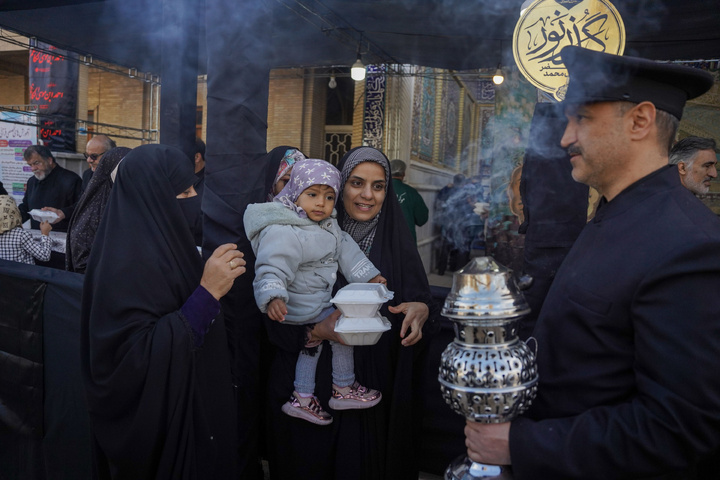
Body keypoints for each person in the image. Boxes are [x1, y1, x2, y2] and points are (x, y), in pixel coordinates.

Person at [463, 46, 720, 479]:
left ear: (639, 120)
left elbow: (679, 427)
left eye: (581, 118)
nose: (565, 138)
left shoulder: (689, 246)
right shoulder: (613, 213)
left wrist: (521, 445)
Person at [263, 146, 436, 480]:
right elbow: (272, 312)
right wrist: (314, 332)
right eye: (357, 183)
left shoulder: (397, 244)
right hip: (313, 396)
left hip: (372, 394)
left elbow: (419, 298)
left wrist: (422, 308)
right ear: (340, 188)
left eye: (378, 186)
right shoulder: (304, 234)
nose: (367, 196)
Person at [81, 144, 245, 479]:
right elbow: (131, 360)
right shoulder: (121, 265)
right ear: (153, 196)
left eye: (193, 188)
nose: (193, 198)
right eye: (183, 191)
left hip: (194, 412)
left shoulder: (170, 245)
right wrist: (208, 292)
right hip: (157, 436)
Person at [245, 158, 385, 426]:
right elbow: (272, 265)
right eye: (312, 195)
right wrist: (273, 296)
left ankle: (303, 397)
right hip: (295, 306)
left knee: (313, 346)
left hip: (314, 303)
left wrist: (370, 276)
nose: (321, 203)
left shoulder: (328, 225)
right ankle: (342, 387)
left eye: (329, 196)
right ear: (295, 193)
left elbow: (348, 251)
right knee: (343, 331)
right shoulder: (285, 230)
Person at [65, 147, 131, 273]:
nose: (89, 160)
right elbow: (81, 261)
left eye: (94, 156)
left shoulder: (123, 197)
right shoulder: (93, 211)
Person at [18, 145, 82, 233]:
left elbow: (82, 207)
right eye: (30, 165)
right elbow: (26, 207)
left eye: (36, 163)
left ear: (49, 160)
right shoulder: (32, 181)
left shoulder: (71, 180)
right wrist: (12, 218)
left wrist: (63, 213)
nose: (33, 169)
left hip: (63, 238)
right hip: (36, 239)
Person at [0, 195, 52, 265]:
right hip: (23, 274)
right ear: (15, 212)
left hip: (6, 275)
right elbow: (44, 256)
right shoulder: (21, 235)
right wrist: (45, 234)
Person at [389, 159, 428, 242]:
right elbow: (422, 219)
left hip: (383, 242)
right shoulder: (411, 192)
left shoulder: (379, 190)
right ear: (403, 174)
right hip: (406, 243)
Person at [434, 173, 465, 274]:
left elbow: (439, 204)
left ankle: (441, 270)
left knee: (445, 246)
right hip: (460, 222)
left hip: (447, 221)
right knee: (459, 247)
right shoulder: (465, 191)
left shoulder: (446, 189)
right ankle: (457, 270)